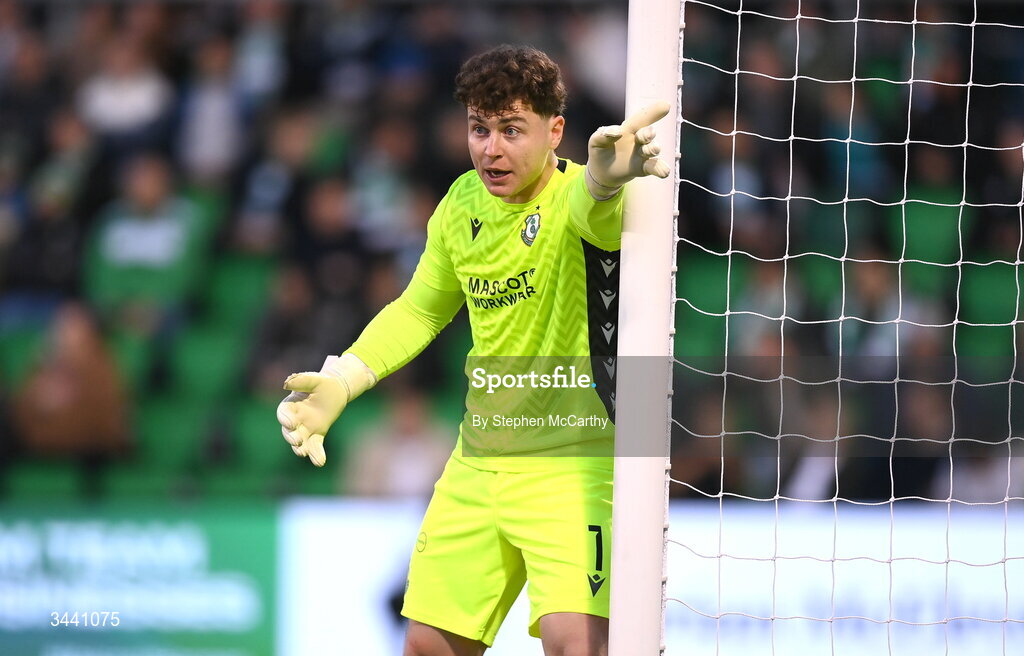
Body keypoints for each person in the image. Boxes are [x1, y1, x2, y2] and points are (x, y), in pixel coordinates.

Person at [277, 45, 669, 655]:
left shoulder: (573, 195)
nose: (491, 148)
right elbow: (419, 309)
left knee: (577, 644)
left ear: (554, 131)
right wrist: (345, 379)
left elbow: (594, 205)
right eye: (479, 129)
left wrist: (604, 179)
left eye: (513, 130)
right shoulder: (460, 204)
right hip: (478, 460)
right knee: (426, 647)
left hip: (572, 461)